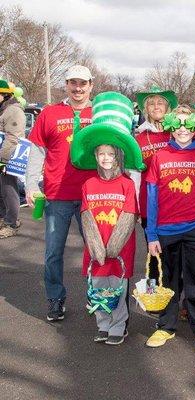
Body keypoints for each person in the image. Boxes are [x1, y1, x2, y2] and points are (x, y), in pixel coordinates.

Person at [145, 105, 195, 350]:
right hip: (165, 231)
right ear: (169, 125)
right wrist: (151, 233)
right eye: (177, 124)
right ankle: (165, 326)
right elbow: (151, 196)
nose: (182, 129)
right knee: (167, 280)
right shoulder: (160, 156)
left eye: (187, 124)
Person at [70, 91, 144, 345]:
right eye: (102, 154)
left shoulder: (125, 184)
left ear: (118, 156)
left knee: (118, 287)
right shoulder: (89, 184)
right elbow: (87, 217)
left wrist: (113, 247)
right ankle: (103, 323)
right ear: (96, 157)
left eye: (111, 154)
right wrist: (97, 249)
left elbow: (128, 216)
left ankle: (118, 325)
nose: (106, 158)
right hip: (96, 247)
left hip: (119, 248)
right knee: (98, 286)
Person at [25, 65, 96, 321]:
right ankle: (55, 298)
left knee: (95, 250)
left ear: (91, 85)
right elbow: (37, 151)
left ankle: (97, 296)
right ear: (66, 84)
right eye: (73, 83)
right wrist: (31, 185)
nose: (78, 88)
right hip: (57, 195)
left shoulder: (99, 114)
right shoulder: (50, 113)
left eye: (83, 83)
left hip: (93, 195)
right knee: (53, 251)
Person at [133, 85, 177, 280]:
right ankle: (153, 297)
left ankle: (175, 298)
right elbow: (134, 175)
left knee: (175, 256)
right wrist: (134, 206)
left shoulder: (178, 132)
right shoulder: (139, 139)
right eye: (151, 103)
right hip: (149, 205)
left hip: (176, 204)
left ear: (168, 107)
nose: (156, 106)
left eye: (160, 102)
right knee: (153, 253)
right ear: (145, 108)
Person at [0, 79, 26, 238]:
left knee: (9, 190)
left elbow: (12, 138)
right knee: (1, 189)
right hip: (2, 155)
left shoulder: (13, 111)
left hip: (8, 158)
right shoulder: (3, 109)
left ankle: (12, 222)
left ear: (5, 95)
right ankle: (3, 218)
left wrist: (2, 159)